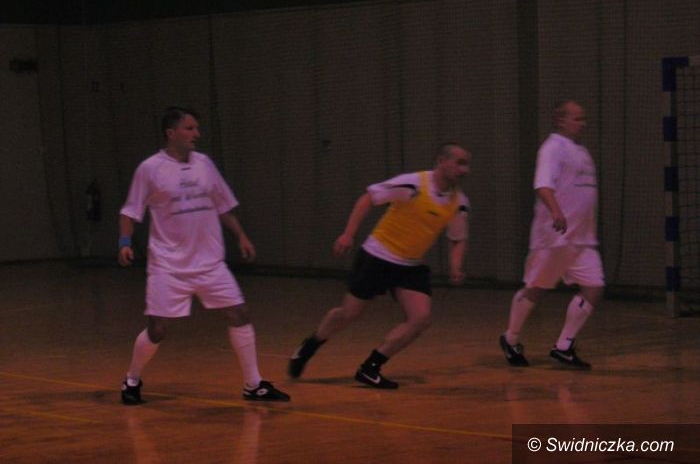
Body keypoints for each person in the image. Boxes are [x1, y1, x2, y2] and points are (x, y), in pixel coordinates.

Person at [118, 106, 289, 404]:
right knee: (158, 329)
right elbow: (129, 212)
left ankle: (253, 384)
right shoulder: (150, 168)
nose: (196, 134)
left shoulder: (205, 164)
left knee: (239, 313)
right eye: (189, 128)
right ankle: (131, 380)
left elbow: (223, 206)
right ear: (171, 133)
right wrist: (124, 242)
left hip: (210, 263)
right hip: (168, 265)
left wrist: (241, 236)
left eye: (196, 128)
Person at [288, 143, 471, 388]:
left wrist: (455, 266)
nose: (465, 170)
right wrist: (348, 234)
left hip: (411, 266)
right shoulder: (413, 185)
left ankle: (370, 367)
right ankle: (310, 345)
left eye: (467, 165)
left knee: (421, 319)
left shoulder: (459, 202)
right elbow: (368, 198)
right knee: (348, 314)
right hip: (378, 256)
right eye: (460, 163)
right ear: (441, 161)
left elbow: (458, 238)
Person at [500, 100, 604, 370]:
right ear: (561, 120)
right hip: (554, 237)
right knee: (535, 288)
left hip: (582, 239)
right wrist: (556, 211)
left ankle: (564, 346)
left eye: (583, 119)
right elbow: (543, 185)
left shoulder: (582, 151)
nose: (582, 123)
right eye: (577, 118)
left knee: (594, 287)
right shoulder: (553, 147)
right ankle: (510, 339)